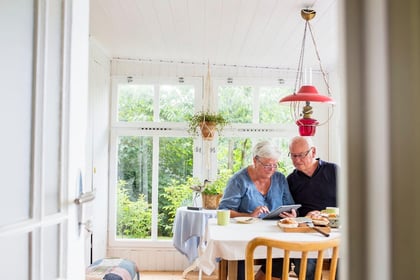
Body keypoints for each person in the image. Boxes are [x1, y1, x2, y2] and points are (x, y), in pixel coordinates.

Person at [218, 140, 297, 280]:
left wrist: (292, 214)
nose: (272, 169)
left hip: (274, 235)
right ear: (255, 160)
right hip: (245, 238)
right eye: (267, 165)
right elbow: (224, 210)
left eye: (275, 165)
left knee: (283, 258)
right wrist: (250, 215)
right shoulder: (239, 180)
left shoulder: (279, 179)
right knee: (240, 262)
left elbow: (289, 205)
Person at [287, 136, 338, 280]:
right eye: (293, 155)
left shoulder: (333, 170)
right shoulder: (291, 180)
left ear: (313, 152)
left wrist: (324, 214)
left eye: (301, 155)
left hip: (334, 228)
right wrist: (299, 216)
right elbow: (292, 212)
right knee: (306, 267)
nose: (297, 160)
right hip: (307, 231)